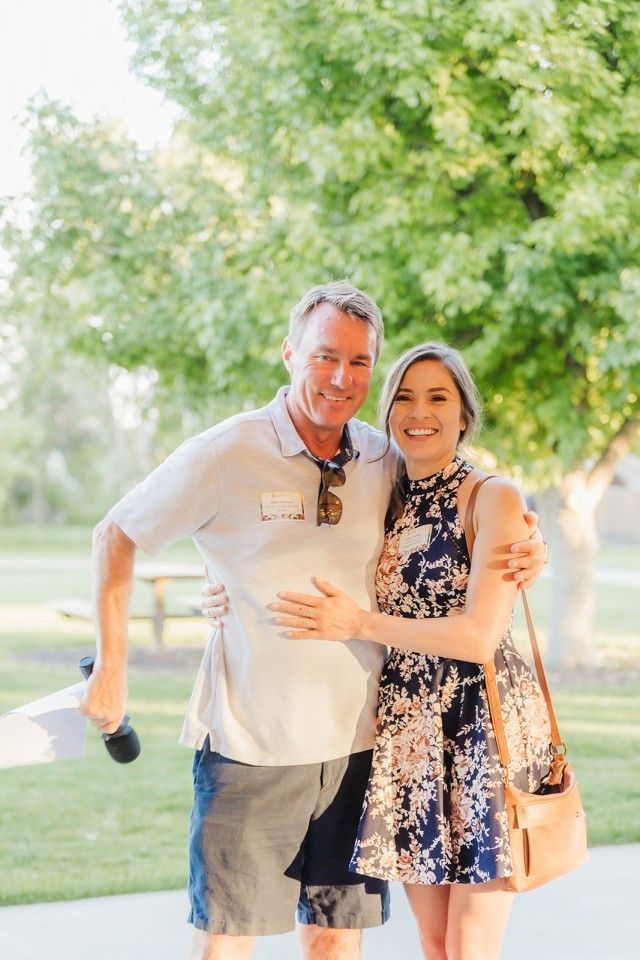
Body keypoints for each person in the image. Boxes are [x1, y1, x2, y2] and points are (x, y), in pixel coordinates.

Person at [81, 282, 545, 960]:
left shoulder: (382, 456)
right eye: (326, 356)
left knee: (333, 940)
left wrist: (531, 545)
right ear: (290, 354)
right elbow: (114, 534)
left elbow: (465, 511)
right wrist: (113, 667)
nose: (341, 377)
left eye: (360, 363)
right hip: (251, 747)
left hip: (362, 748)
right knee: (226, 941)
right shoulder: (226, 452)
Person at [266, 342, 554, 960]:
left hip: (483, 729)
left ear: (463, 415)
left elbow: (478, 635)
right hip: (412, 733)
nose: (419, 411)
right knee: (432, 941)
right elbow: (296, 546)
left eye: (438, 397)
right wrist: (223, 590)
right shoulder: (382, 491)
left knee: (471, 943)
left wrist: (361, 623)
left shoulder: (492, 497)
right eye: (404, 396)